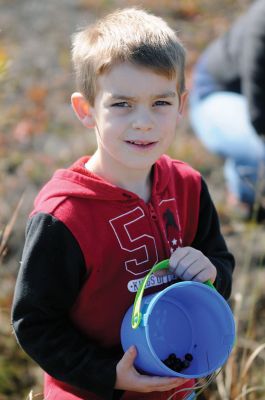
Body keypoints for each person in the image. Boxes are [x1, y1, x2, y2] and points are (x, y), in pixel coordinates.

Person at [11, 8, 235, 400]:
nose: (144, 122)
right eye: (122, 104)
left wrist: (212, 271)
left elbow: (219, 263)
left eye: (160, 103)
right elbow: (35, 323)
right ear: (86, 110)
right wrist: (108, 375)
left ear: (181, 104)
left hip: (176, 385)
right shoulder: (64, 216)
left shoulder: (188, 186)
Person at [189, 0, 265, 221]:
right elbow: (257, 110)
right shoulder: (261, 20)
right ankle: (245, 199)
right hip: (215, 93)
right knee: (258, 149)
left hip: (253, 101)